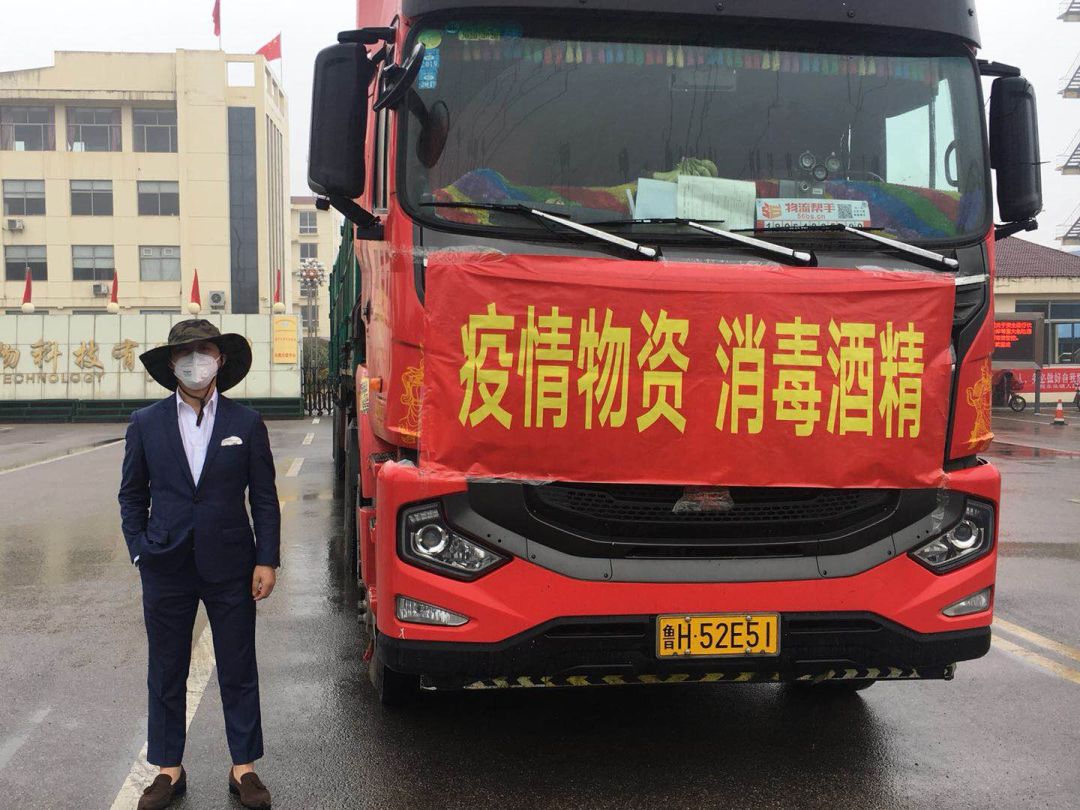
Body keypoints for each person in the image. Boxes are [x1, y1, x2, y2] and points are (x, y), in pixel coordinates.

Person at [118, 319, 280, 810]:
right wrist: (141, 549)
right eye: (185, 353)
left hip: (231, 563)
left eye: (204, 351)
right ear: (171, 364)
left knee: (238, 664)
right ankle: (168, 768)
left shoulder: (245, 423)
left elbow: (265, 497)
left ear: (220, 360)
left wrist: (267, 559)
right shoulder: (145, 423)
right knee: (166, 666)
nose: (195, 361)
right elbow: (132, 495)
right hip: (165, 563)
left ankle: (244, 767)